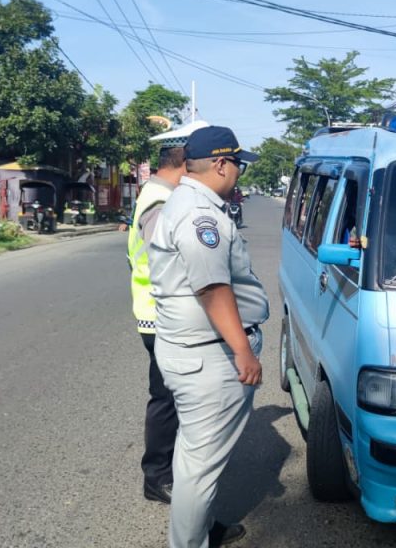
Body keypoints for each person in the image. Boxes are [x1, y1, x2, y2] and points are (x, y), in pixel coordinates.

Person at [148, 126, 268, 548]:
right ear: (220, 163)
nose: (239, 172)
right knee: (200, 467)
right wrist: (243, 352)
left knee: (192, 459)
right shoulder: (201, 215)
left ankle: (195, 533)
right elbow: (211, 287)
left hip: (189, 350)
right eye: (237, 163)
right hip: (209, 357)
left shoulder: (184, 201)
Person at [127, 145, 187, 505]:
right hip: (160, 315)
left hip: (158, 312)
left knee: (170, 398)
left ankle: (164, 471)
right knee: (166, 399)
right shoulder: (160, 203)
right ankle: (158, 476)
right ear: (181, 166)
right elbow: (164, 261)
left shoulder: (156, 194)